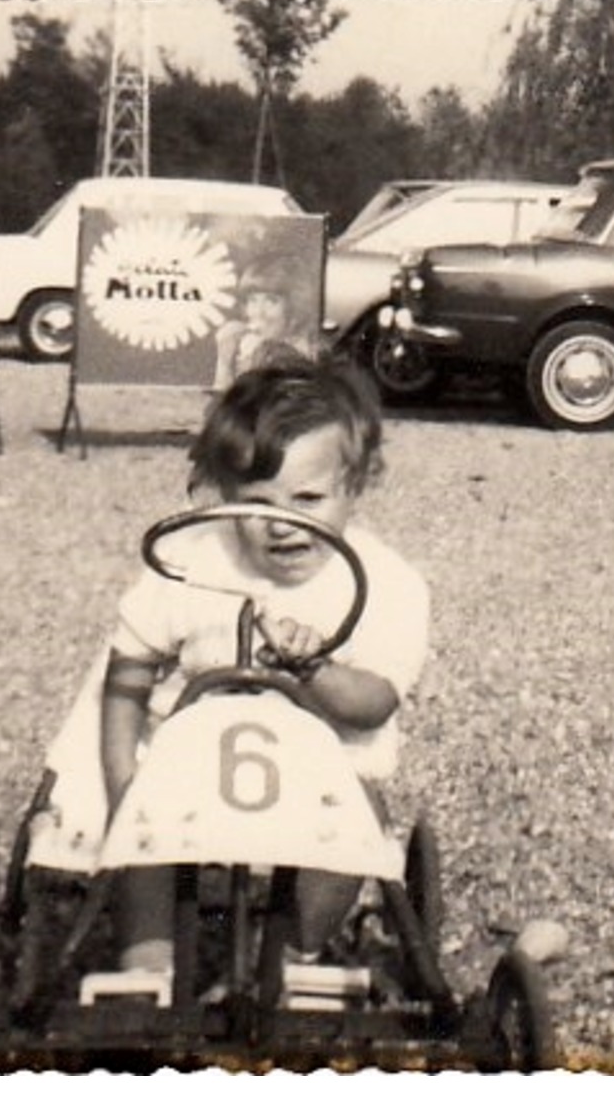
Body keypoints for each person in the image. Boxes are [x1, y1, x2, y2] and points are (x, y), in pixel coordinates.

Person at [31, 356, 430, 989]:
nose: (281, 524)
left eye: (308, 499)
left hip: (322, 755)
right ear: (221, 491)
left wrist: (313, 669)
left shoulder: (387, 584)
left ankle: (295, 955)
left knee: (356, 827)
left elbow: (373, 703)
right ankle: (148, 965)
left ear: (357, 483)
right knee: (144, 827)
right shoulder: (194, 561)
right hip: (185, 751)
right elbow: (128, 671)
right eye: (256, 502)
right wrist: (121, 777)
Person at [211, 256, 320, 391]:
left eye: (271, 301)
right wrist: (224, 360)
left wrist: (254, 360)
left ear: (295, 305)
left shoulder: (305, 353)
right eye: (252, 300)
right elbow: (223, 406)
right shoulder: (249, 348)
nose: (258, 312)